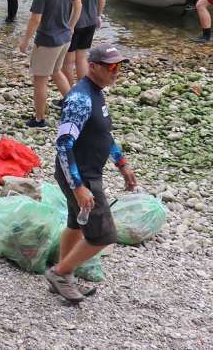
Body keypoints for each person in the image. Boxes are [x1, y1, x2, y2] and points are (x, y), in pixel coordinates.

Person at [46, 43, 138, 304]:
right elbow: (63, 143)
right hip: (81, 176)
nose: (116, 72)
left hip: (86, 174)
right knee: (103, 235)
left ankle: (65, 276)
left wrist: (122, 164)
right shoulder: (80, 98)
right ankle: (60, 273)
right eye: (112, 67)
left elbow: (103, 135)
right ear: (93, 67)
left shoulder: (98, 93)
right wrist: (78, 186)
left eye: (119, 66)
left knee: (76, 224)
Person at [18, 0, 81, 128]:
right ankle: (75, 107)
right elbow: (78, 5)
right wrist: (71, 26)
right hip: (64, 39)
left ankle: (39, 119)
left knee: (40, 79)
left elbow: (35, 20)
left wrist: (25, 41)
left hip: (47, 41)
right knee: (56, 71)